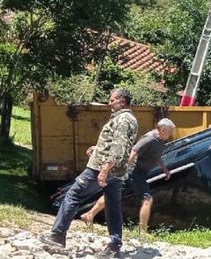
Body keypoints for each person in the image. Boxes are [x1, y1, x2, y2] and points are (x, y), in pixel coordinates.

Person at [41, 88, 138, 257]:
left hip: (100, 169)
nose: (109, 103)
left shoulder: (122, 120)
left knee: (73, 195)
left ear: (122, 102)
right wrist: (98, 148)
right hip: (118, 172)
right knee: (113, 206)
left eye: (112, 100)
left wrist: (105, 170)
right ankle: (115, 246)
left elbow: (119, 148)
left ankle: (57, 236)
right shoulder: (131, 119)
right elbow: (117, 144)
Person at [80, 118, 176, 233]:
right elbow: (134, 151)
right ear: (163, 130)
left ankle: (89, 215)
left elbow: (155, 155)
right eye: (170, 132)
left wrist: (164, 168)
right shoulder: (149, 139)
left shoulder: (159, 139)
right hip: (135, 173)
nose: (170, 135)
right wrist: (125, 168)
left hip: (138, 173)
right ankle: (143, 231)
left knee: (112, 194)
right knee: (147, 199)